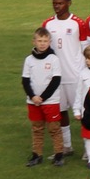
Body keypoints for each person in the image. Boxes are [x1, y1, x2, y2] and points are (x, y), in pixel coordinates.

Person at [43, 0, 89, 153]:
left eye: (61, 3)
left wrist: (84, 72)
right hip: (56, 77)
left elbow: (86, 48)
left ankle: (87, 150)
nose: (57, 6)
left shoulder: (78, 23)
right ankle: (66, 146)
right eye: (55, 3)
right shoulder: (48, 24)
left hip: (75, 75)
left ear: (69, 3)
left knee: (83, 113)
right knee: (61, 112)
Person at [22, 27, 66, 165]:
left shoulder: (54, 59)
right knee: (37, 129)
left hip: (50, 101)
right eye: (39, 40)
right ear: (33, 42)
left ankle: (59, 155)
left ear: (49, 42)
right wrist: (33, 96)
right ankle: (37, 155)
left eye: (45, 41)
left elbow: (56, 80)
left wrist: (42, 98)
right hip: (33, 101)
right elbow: (25, 80)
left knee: (54, 128)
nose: (42, 44)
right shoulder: (29, 60)